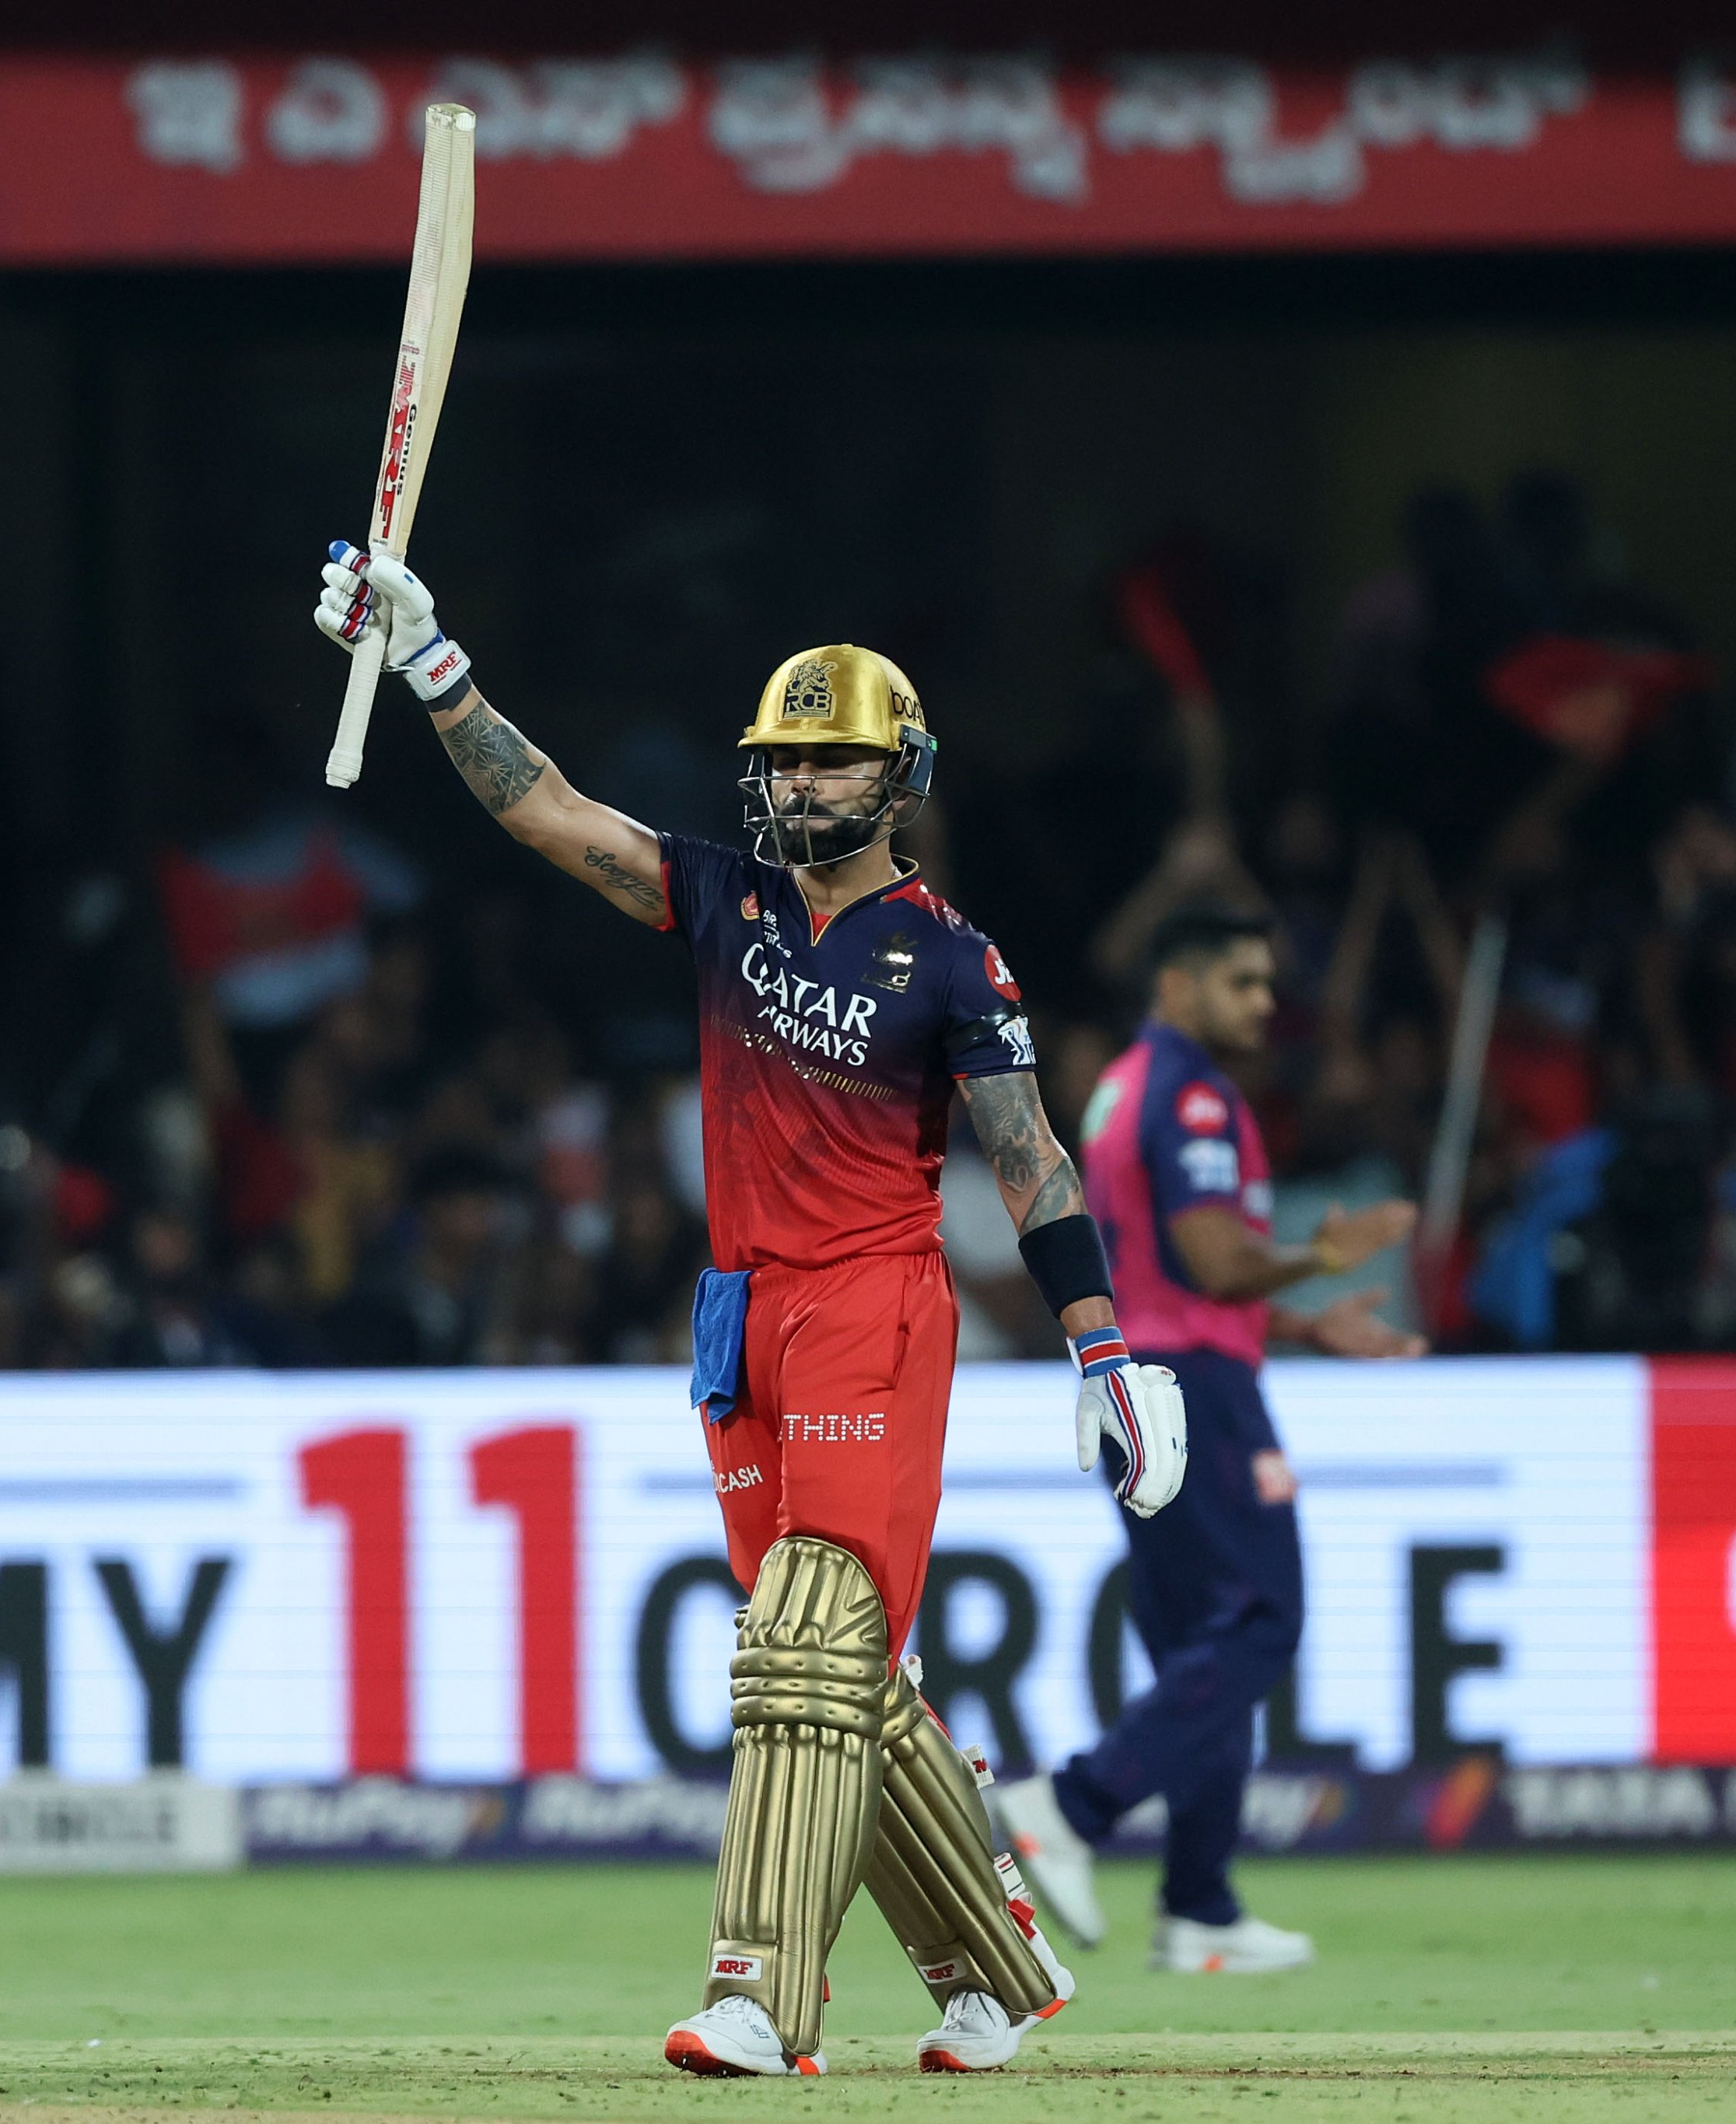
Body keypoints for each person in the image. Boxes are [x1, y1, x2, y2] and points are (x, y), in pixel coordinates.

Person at [314, 544, 1188, 2077]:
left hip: (871, 1305)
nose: (798, 781)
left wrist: (1101, 1342)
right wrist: (432, 664)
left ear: (899, 773)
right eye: (782, 758)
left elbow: (1029, 1157)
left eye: (829, 757)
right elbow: (546, 810)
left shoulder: (954, 960)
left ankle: (762, 1997)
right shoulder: (724, 898)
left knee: (801, 1642)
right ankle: (996, 1968)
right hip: (741, 1313)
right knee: (843, 1675)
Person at [989, 906, 1423, 1975]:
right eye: (1243, 983)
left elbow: (1164, 1270)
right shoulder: (1192, 1096)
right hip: (1196, 1390)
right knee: (1263, 1617)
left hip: (1139, 1379)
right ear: (1177, 987)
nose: (1266, 1004)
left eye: (1268, 983)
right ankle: (1072, 1806)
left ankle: (1200, 1905)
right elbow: (1219, 1265)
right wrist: (1319, 1256)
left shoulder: (1124, 1087)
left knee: (1204, 1644)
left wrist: (1303, 1325)